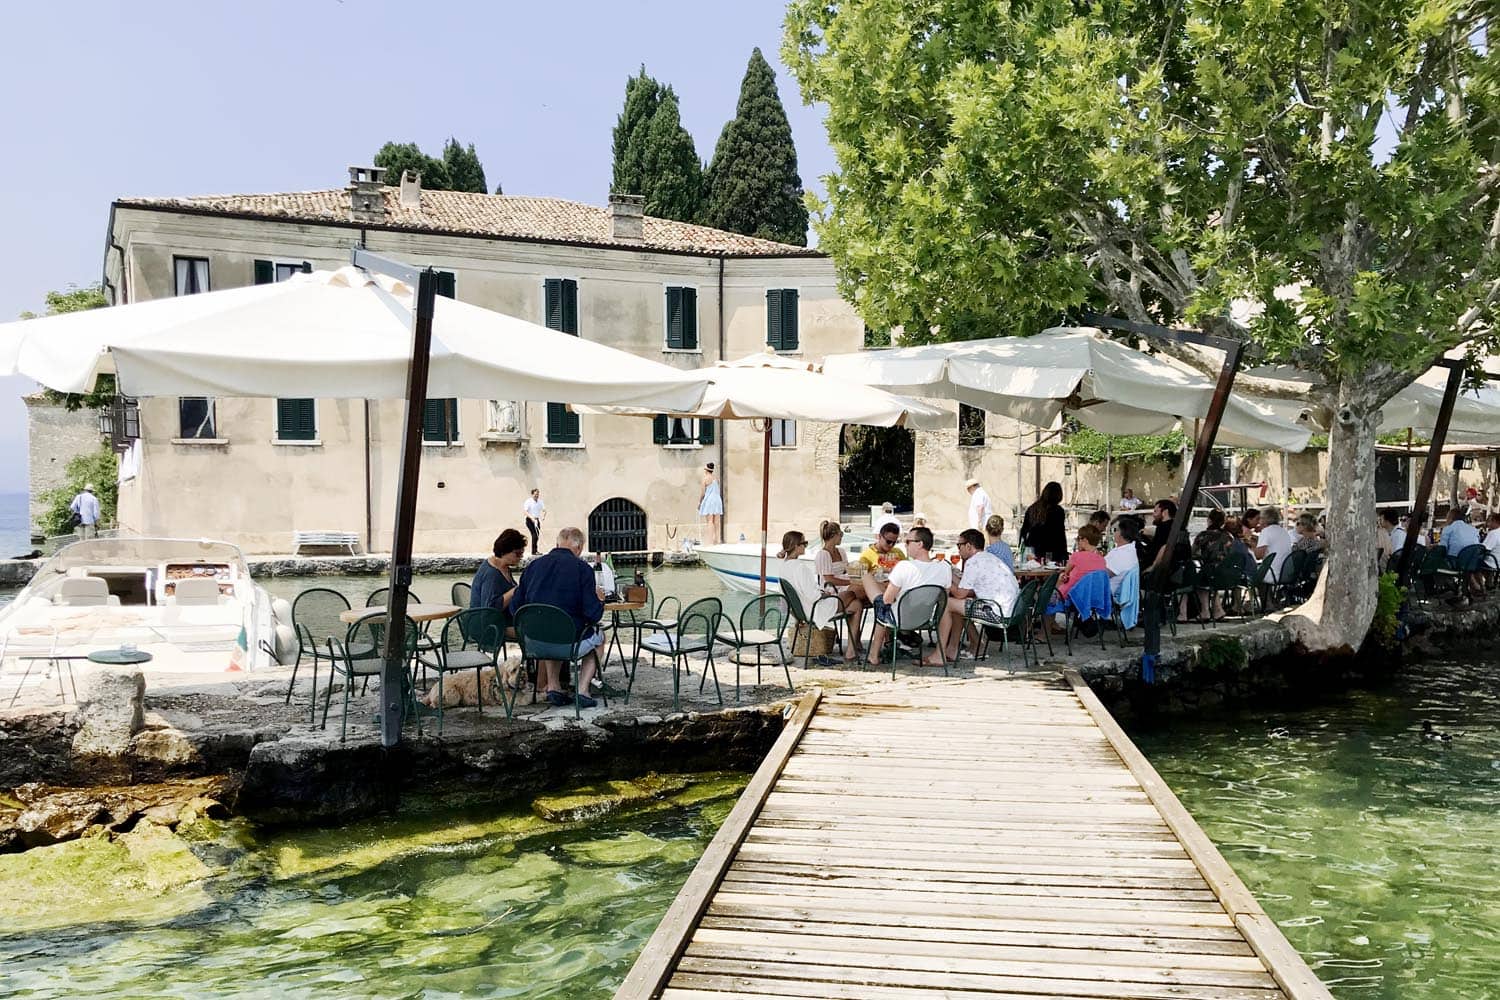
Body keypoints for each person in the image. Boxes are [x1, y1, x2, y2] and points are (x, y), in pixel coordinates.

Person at [509, 526, 605, 708]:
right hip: (569, 644)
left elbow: (515, 607)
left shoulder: (533, 566)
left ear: (557, 543)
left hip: (534, 642)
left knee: (551, 627)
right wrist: (600, 600)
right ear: (579, 548)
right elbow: (593, 615)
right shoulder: (583, 569)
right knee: (599, 637)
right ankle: (583, 689)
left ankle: (553, 686)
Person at [928, 528, 1019, 666]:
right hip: (1012, 610)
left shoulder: (973, 562)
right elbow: (965, 589)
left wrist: (945, 582)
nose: (958, 549)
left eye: (959, 545)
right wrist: (949, 572)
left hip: (996, 612)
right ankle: (962, 647)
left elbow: (960, 593)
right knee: (959, 605)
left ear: (969, 546)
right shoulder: (988, 557)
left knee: (948, 604)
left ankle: (940, 654)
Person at [867, 526, 950, 664]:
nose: (905, 545)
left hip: (900, 618)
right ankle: (939, 654)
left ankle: (873, 655)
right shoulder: (944, 568)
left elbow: (887, 599)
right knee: (945, 610)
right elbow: (943, 599)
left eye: (908, 541)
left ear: (920, 544)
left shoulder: (904, 566)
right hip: (926, 619)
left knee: (868, 580)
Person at [815, 520, 866, 662]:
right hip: (832, 589)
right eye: (841, 534)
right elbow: (828, 578)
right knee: (862, 591)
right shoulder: (823, 555)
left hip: (845, 584)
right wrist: (851, 581)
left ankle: (852, 648)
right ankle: (857, 640)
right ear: (834, 535)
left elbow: (847, 569)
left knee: (858, 604)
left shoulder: (841, 551)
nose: (842, 537)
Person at [470, 529, 527, 617]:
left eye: (522, 554)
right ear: (505, 551)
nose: (521, 557)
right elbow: (489, 610)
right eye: (518, 554)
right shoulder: (491, 574)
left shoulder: (504, 567)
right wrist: (515, 590)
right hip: (488, 627)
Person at [857, 521, 908, 604]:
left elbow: (907, 570)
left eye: (894, 542)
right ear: (880, 536)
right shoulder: (867, 555)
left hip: (899, 589)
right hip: (880, 591)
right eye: (888, 541)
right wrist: (879, 571)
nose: (891, 545)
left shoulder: (898, 552)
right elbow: (862, 577)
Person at [1055, 524, 1108, 602]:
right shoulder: (1102, 560)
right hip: (1091, 597)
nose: (1077, 541)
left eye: (1078, 538)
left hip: (1072, 595)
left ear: (1085, 540)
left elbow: (1066, 573)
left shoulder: (1076, 556)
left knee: (1060, 578)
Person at [1018, 481, 1068, 564]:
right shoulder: (1058, 511)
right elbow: (1060, 534)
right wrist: (1064, 555)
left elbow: (1024, 530)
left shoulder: (1032, 508)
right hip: (1053, 550)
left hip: (1034, 549)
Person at [1254, 507, 1294, 580]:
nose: (1259, 522)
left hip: (1272, 574)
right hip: (1286, 573)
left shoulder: (1266, 531)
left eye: (1260, 518)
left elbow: (1258, 556)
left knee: (1249, 573)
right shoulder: (1283, 531)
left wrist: (1251, 544)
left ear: (1264, 520)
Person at [1105, 517, 1142, 597]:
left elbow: (1105, 574)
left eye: (1116, 530)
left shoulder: (1124, 554)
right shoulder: (1124, 550)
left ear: (1122, 534)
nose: (1114, 533)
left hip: (1106, 592)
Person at [698, 463, 723, 544]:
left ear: (706, 470)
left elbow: (702, 493)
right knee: (717, 522)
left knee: (709, 521)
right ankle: (717, 540)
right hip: (717, 500)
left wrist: (700, 502)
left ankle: (710, 541)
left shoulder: (705, 479)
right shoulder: (716, 478)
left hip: (709, 500)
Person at [522, 488, 545, 556]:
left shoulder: (540, 501)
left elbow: (544, 509)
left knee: (537, 535)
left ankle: (535, 550)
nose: (537, 495)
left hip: (536, 520)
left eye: (537, 494)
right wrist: (531, 518)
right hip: (529, 520)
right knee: (534, 535)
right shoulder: (528, 501)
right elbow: (525, 512)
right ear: (532, 494)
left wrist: (544, 515)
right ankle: (534, 551)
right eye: (535, 494)